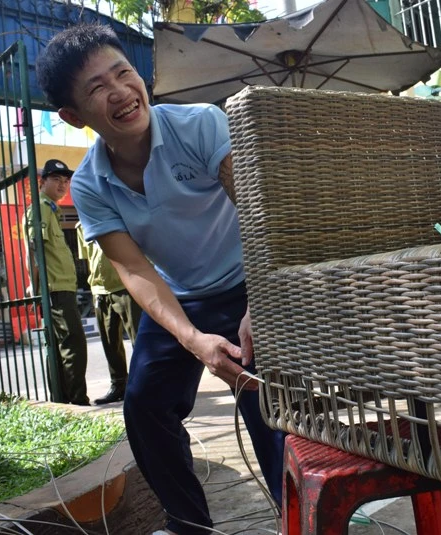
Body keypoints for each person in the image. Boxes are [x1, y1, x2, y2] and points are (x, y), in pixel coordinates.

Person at [36, 23, 285, 535]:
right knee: (144, 404)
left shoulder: (201, 125)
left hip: (249, 281)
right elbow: (133, 269)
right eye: (97, 88)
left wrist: (262, 303)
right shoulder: (90, 184)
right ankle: (189, 525)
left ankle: (300, 513)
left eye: (123, 73)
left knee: (263, 396)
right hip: (181, 296)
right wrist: (193, 340)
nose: (121, 92)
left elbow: (260, 216)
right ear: (73, 116)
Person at [24, 159, 89, 406]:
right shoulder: (40, 208)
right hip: (55, 289)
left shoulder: (51, 209)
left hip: (61, 288)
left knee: (63, 344)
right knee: (73, 343)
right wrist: (35, 286)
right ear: (42, 182)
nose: (62, 185)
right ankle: (77, 399)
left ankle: (62, 398)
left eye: (65, 181)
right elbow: (34, 250)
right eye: (56, 180)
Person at [76, 222, 142, 404]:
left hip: (125, 284)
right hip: (100, 289)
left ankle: (144, 384)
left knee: (139, 339)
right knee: (109, 341)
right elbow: (89, 259)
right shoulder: (81, 226)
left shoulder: (116, 213)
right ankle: (119, 384)